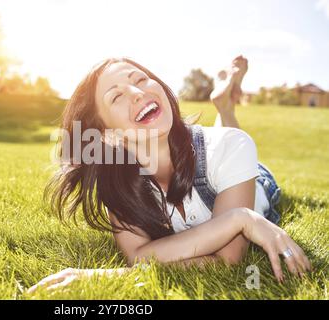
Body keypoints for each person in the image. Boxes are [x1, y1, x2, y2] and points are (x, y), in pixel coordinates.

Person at [28, 55, 311, 293]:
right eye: (116, 96)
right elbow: (138, 256)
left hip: (257, 181)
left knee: (230, 141)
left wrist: (247, 215)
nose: (137, 92)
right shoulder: (117, 183)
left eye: (140, 79)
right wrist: (239, 219)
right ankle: (224, 105)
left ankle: (226, 108)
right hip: (221, 162)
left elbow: (227, 259)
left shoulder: (230, 146)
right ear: (108, 134)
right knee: (226, 148)